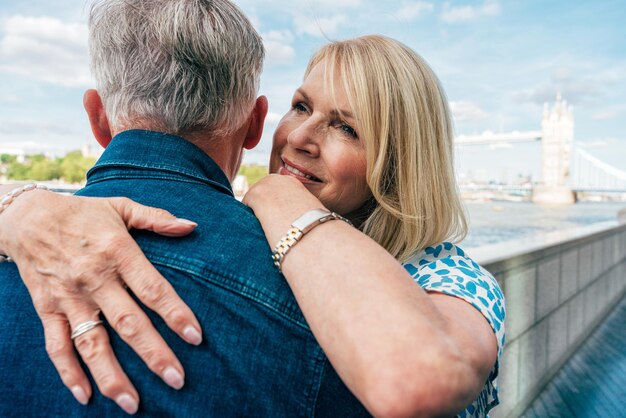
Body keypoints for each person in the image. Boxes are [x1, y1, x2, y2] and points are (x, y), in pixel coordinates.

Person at [0, 9, 505, 418]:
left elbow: (421, 376)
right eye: (302, 106)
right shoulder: (252, 242)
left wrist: (277, 195)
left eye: (346, 128)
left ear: (400, 163)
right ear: (256, 121)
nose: (301, 139)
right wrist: (21, 209)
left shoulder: (452, 278)